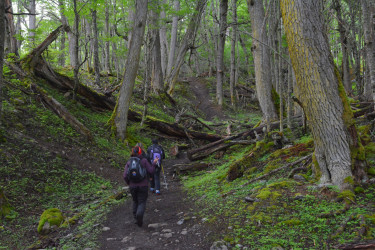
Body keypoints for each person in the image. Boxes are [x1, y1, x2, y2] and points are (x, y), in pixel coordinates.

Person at [123, 146, 158, 227]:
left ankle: (136, 218)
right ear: (140, 152)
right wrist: (154, 163)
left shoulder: (129, 162)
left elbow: (125, 175)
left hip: (132, 186)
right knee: (142, 202)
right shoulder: (144, 161)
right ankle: (139, 215)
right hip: (143, 185)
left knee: (135, 201)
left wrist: (129, 183)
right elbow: (151, 171)